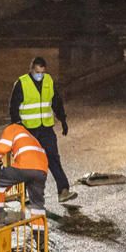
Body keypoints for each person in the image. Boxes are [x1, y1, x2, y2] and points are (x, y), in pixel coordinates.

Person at [9, 56, 77, 203]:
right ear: (31, 69)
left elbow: (56, 102)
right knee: (29, 162)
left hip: (46, 128)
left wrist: (63, 119)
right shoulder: (22, 83)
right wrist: (17, 125)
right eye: (37, 72)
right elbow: (13, 107)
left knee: (53, 157)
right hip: (28, 130)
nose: (40, 75)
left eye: (42, 72)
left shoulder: (48, 81)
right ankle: (27, 195)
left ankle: (63, 190)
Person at [0, 123, 49, 247]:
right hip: (41, 169)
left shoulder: (12, 128)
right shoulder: (30, 137)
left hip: (26, 166)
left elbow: (2, 148)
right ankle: (41, 240)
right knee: (37, 205)